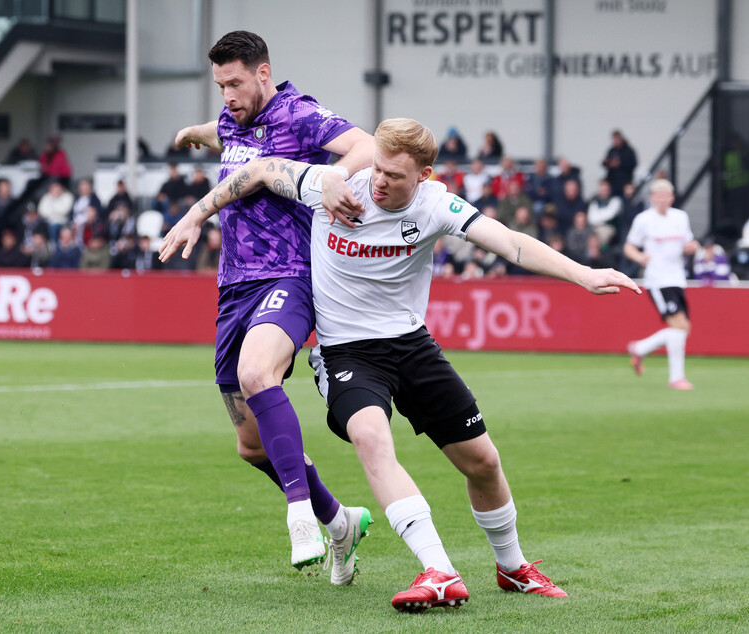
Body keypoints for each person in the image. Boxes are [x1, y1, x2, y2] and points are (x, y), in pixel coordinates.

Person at [161, 117, 640, 612]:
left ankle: (513, 567)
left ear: (425, 175)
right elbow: (259, 170)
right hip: (346, 352)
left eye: (395, 175)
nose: (380, 182)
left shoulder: (435, 205)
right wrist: (198, 214)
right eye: (378, 169)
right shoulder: (333, 187)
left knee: (483, 462)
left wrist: (583, 274)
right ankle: (437, 569)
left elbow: (510, 242)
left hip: (411, 346)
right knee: (372, 437)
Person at [170, 30, 376, 581]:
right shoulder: (235, 120)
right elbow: (227, 135)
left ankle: (300, 516)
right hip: (233, 287)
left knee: (258, 373)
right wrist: (195, 133)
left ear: (264, 72)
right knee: (250, 446)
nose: (227, 95)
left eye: (235, 82)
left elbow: (368, 148)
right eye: (219, 86)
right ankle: (339, 522)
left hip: (291, 276)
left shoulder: (300, 113)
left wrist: (335, 177)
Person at [624, 179, 700, 389]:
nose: (663, 199)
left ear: (672, 198)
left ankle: (639, 348)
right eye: (658, 195)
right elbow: (629, 247)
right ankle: (676, 378)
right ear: (652, 198)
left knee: (683, 328)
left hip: (677, 279)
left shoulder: (680, 217)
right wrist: (640, 258)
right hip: (658, 280)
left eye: (666, 195)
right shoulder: (644, 220)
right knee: (679, 326)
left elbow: (688, 243)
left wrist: (692, 247)